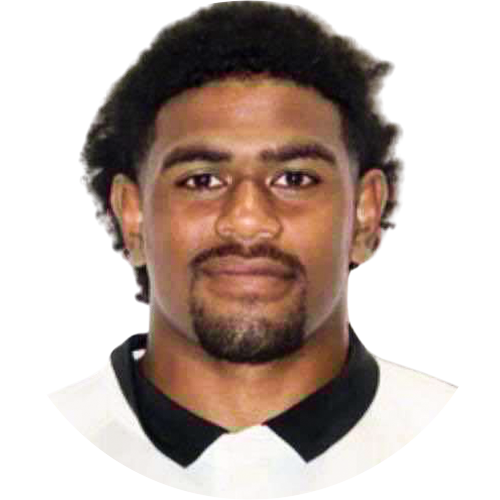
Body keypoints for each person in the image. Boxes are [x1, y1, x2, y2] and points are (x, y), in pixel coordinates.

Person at [54, 1, 456, 496]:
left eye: (295, 179)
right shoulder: (66, 425)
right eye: (202, 180)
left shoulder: (472, 457)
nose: (248, 220)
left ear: (364, 213)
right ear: (131, 215)